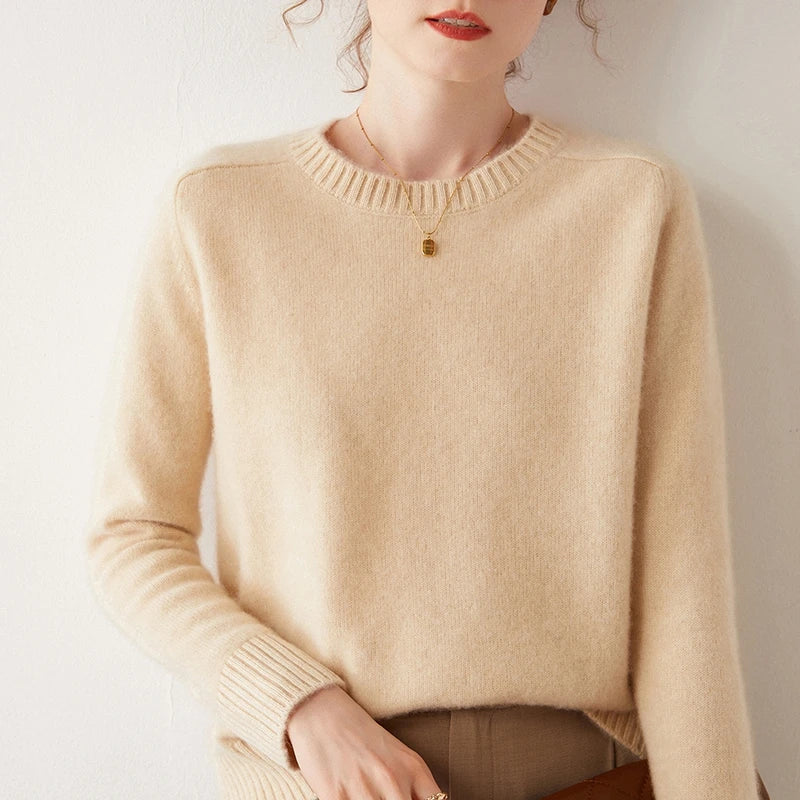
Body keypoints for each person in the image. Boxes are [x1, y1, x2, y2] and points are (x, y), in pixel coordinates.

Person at [85, 2, 763, 799]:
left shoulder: (631, 202)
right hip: (319, 778)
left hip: (584, 772)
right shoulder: (220, 208)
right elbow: (132, 535)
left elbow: (681, 568)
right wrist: (297, 705)